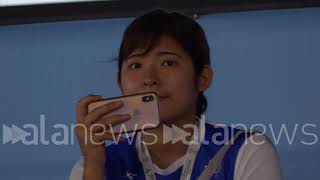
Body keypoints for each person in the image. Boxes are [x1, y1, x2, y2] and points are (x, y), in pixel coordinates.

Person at [69, 9, 282, 180]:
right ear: (120, 83)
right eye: (135, 65)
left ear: (203, 78)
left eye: (167, 63)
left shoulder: (246, 151)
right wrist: (94, 167)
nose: (149, 78)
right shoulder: (94, 164)